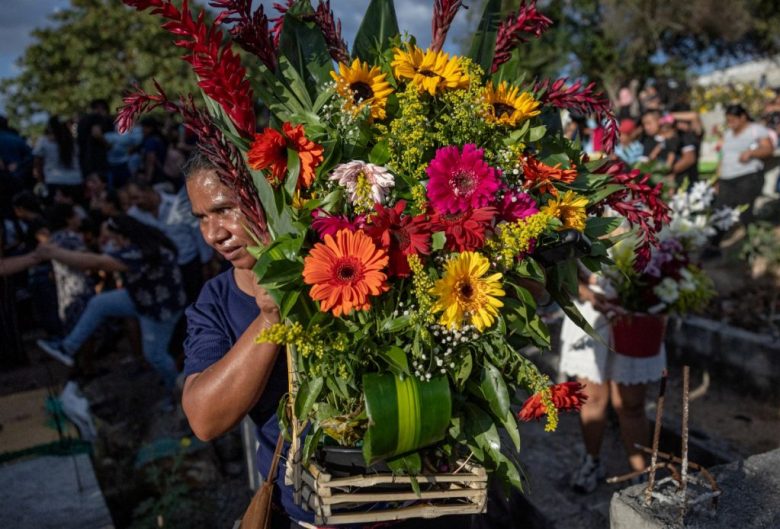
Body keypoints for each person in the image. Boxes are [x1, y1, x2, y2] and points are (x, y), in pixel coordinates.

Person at [36, 215, 186, 392]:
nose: (114, 244)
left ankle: (178, 391)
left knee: (155, 356)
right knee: (100, 303)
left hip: (159, 309)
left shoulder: (140, 251)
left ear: (124, 236)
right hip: (142, 298)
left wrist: (53, 253)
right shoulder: (147, 241)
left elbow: (98, 262)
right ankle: (68, 347)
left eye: (114, 239)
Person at [559, 267, 665, 494]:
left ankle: (639, 476)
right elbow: (558, 265)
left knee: (632, 404)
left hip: (634, 310)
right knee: (592, 399)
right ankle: (591, 462)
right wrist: (586, 292)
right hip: (590, 311)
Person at [124, 179, 212, 303]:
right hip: (162, 269)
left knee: (197, 300)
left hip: (188, 262)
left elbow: (197, 233)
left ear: (149, 191)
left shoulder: (178, 204)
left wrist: (205, 262)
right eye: (132, 199)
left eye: (136, 197)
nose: (135, 203)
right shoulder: (134, 215)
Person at [717, 104, 774, 225]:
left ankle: (753, 239)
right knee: (720, 212)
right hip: (726, 179)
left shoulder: (756, 130)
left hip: (747, 176)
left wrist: (751, 153)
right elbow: (723, 157)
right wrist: (718, 178)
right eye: (728, 121)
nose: (730, 124)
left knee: (745, 212)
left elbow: (769, 149)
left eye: (733, 120)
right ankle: (714, 243)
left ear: (743, 117)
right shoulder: (728, 134)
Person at [32, 116, 83, 202]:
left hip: (53, 181)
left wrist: (40, 181)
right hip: (76, 181)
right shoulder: (73, 141)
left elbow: (38, 164)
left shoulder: (44, 141)